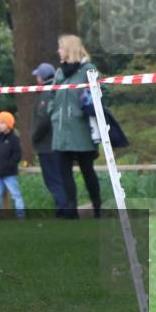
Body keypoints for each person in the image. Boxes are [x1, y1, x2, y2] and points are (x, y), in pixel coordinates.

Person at [49, 35, 102, 219]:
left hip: (82, 131)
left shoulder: (88, 70)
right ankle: (71, 211)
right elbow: (52, 96)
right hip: (61, 130)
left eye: (61, 47)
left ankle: (97, 209)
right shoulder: (59, 73)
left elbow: (104, 93)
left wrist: (86, 106)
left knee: (88, 171)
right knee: (64, 173)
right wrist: (52, 112)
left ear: (69, 49)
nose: (58, 51)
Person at [30, 63, 66, 216]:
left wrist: (34, 137)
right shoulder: (58, 89)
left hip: (47, 145)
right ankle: (65, 209)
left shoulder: (46, 94)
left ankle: (63, 210)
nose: (36, 78)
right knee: (60, 178)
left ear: (42, 77)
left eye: (38, 75)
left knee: (53, 180)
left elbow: (43, 119)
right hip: (58, 143)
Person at [0, 111, 26, 221]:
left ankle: (20, 215)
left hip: (9, 174)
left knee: (15, 194)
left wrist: (8, 166)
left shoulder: (14, 139)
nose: (0, 126)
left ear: (9, 124)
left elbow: (17, 156)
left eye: (2, 123)